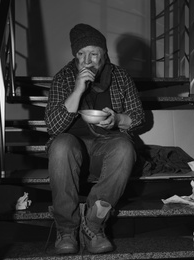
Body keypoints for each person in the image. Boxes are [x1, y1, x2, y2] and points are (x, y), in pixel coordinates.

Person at [45, 23, 145, 255]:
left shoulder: (120, 76)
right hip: (72, 151)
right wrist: (78, 89)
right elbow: (53, 126)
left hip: (105, 149)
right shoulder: (64, 77)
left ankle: (94, 225)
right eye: (81, 54)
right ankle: (67, 230)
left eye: (94, 53)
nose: (87, 60)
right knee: (60, 145)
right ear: (75, 56)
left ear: (104, 54)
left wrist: (118, 119)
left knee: (124, 147)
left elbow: (138, 116)